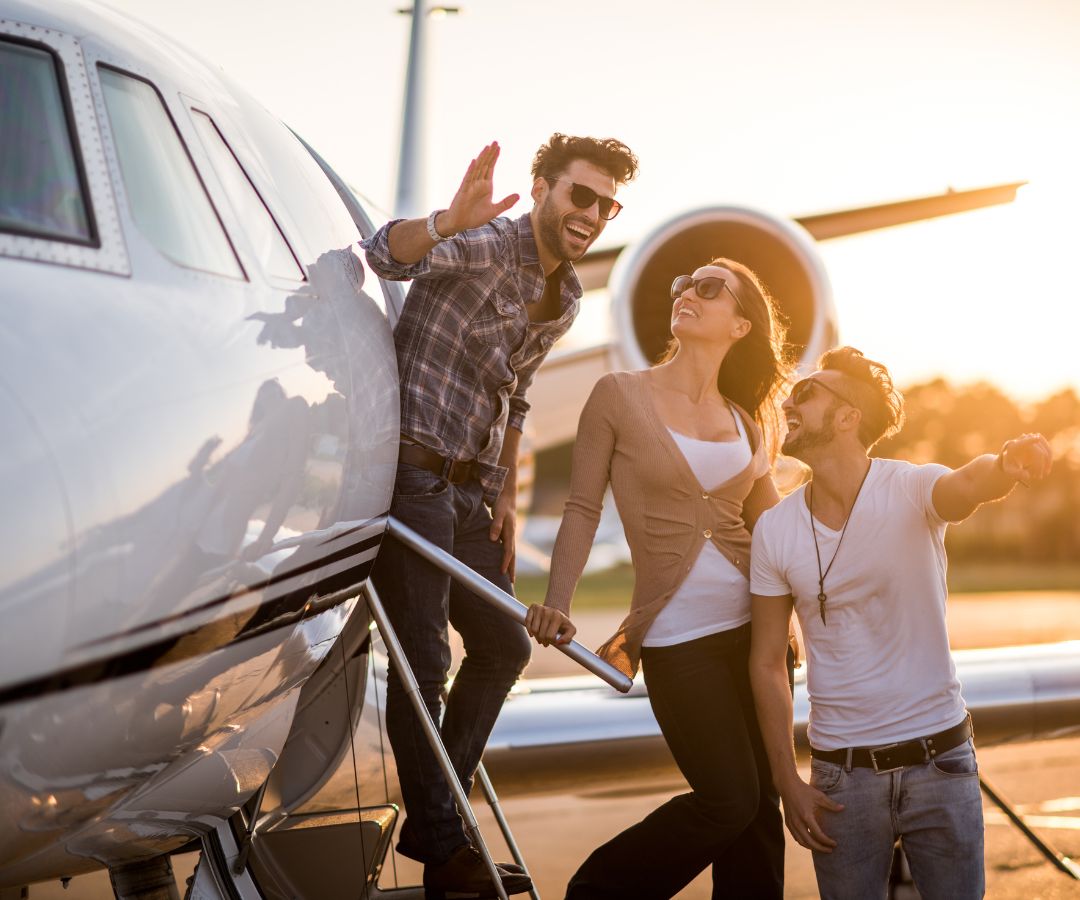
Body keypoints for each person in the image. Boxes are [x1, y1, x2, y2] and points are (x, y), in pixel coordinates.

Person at [362, 135, 638, 899]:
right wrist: (447, 220)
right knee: (424, 664)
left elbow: (515, 396)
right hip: (413, 478)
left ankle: (432, 819)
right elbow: (387, 256)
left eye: (607, 204)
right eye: (579, 195)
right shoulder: (485, 246)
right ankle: (447, 846)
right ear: (543, 188)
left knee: (504, 648)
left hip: (466, 494)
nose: (592, 213)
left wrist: (507, 498)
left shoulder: (569, 295)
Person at [526, 259, 793, 899]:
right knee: (729, 799)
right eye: (683, 283)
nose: (685, 294)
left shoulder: (747, 420)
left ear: (741, 324)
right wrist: (557, 600)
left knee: (760, 816)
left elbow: (779, 533)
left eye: (707, 288)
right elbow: (583, 507)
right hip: (679, 640)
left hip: (756, 637)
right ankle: (597, 892)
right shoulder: (619, 394)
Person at [748, 346, 1053, 900]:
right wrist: (785, 779)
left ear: (847, 417)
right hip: (841, 780)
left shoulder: (913, 489)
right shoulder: (775, 530)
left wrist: (1005, 465)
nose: (790, 400)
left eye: (808, 392)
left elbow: (967, 484)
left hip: (942, 764)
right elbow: (768, 660)